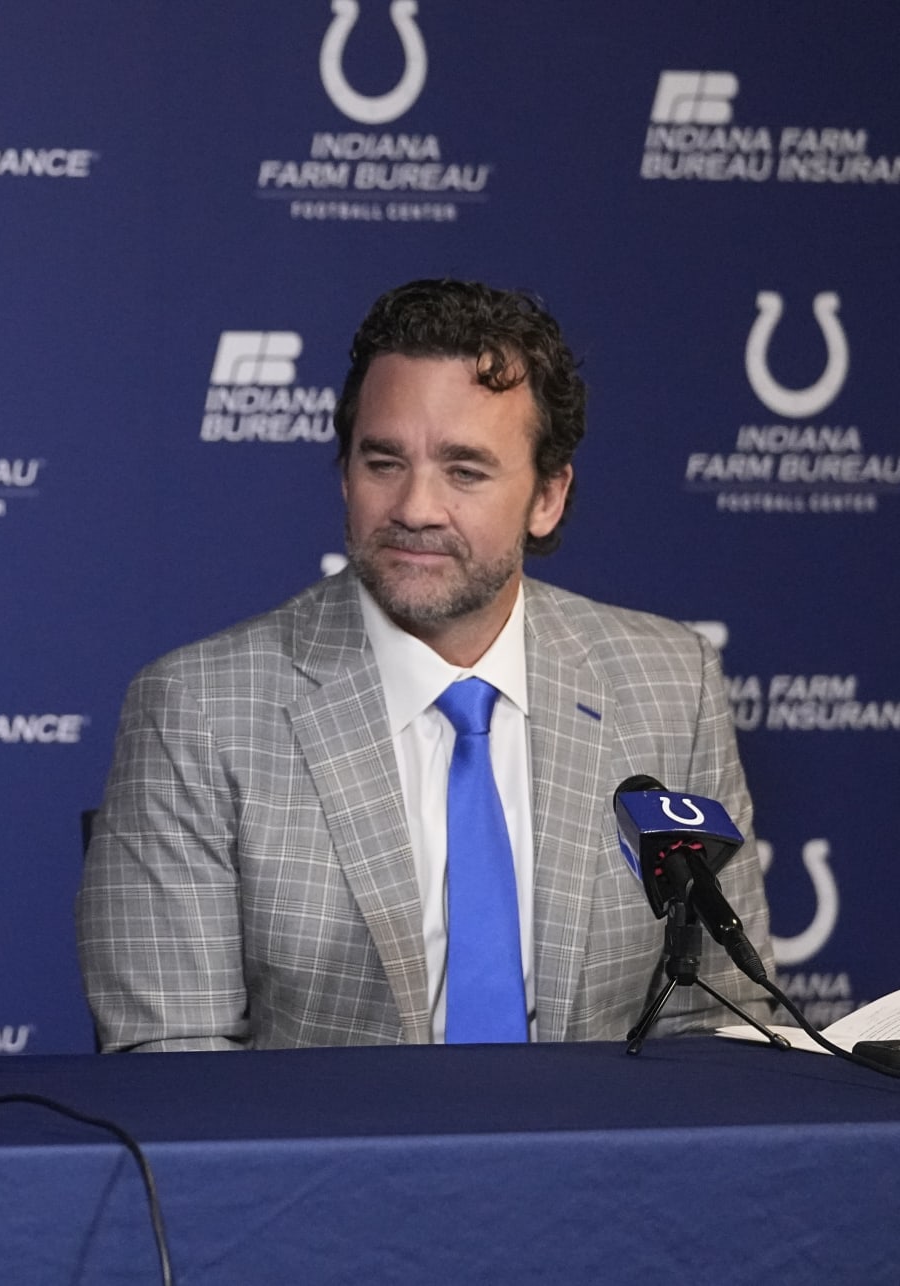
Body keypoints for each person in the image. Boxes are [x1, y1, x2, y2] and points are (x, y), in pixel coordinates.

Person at [77, 279, 773, 1051]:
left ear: (547, 496)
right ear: (344, 473)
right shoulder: (197, 709)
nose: (415, 507)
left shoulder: (672, 684)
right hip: (322, 1172)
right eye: (383, 462)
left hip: (608, 1169)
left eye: (465, 470)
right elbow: (173, 1057)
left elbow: (719, 1023)